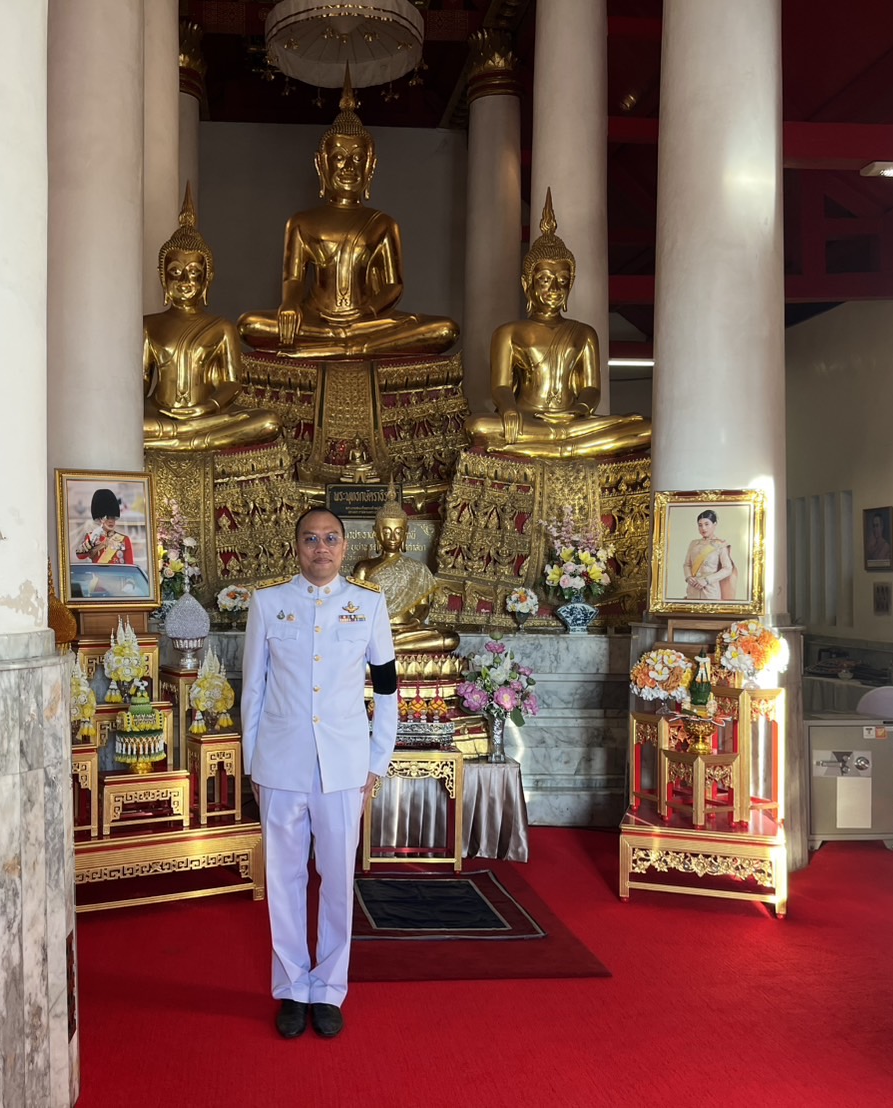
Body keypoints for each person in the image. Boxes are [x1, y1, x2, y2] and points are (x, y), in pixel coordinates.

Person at [241, 507, 399, 1040]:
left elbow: (386, 691)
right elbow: (254, 691)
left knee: (337, 880)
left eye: (330, 539)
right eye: (310, 539)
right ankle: (291, 988)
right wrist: (252, 763)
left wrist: (376, 761)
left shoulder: (369, 605)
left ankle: (328, 989)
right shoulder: (267, 604)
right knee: (283, 882)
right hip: (281, 764)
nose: (321, 548)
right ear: (296, 546)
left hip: (343, 767)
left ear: (344, 545)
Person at [237, 70, 458, 359]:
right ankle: (346, 345)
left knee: (444, 330)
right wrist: (289, 305)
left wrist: (365, 312)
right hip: (316, 321)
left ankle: (345, 346)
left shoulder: (383, 223)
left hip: (368, 322)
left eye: (357, 158)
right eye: (338, 158)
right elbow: (293, 279)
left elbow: (394, 285)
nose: (348, 167)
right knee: (249, 324)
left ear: (370, 167)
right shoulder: (301, 221)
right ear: (322, 166)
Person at [465, 189, 652, 459]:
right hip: (529, 420)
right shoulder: (509, 332)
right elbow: (501, 387)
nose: (554, 288)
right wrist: (508, 409)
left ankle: (554, 447)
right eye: (544, 279)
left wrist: (577, 411)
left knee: (645, 427)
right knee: (478, 425)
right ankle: (559, 447)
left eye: (562, 281)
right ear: (527, 284)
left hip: (574, 423)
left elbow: (591, 389)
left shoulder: (584, 333)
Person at [142, 184, 281, 451]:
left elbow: (230, 383)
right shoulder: (149, 325)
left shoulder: (222, 327)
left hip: (208, 417)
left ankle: (182, 439)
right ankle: (187, 439)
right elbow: (142, 384)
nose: (185, 281)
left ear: (207, 280)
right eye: (175, 272)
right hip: (161, 417)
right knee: (126, 424)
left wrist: (207, 407)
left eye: (194, 272)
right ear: (163, 278)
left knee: (268, 422)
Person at [350, 486, 459, 654]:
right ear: (376, 533)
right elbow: (356, 607)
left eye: (398, 532)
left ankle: (386, 649)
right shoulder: (364, 568)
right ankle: (386, 647)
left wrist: (414, 622)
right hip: (374, 631)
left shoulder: (418, 569)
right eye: (386, 532)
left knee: (450, 638)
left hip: (408, 632)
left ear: (405, 534)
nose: (393, 537)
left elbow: (423, 606)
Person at [683, 509, 736, 600]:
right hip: (693, 589)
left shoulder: (720, 544)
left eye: (707, 524)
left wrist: (706, 580)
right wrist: (688, 577)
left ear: (714, 524)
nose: (703, 528)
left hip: (710, 591)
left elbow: (728, 569)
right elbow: (687, 564)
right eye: (700, 525)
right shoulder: (693, 544)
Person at [75, 488, 134, 565]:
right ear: (100, 519)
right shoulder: (91, 537)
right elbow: (80, 555)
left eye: (113, 517)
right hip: (98, 576)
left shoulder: (124, 540)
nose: (111, 521)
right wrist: (92, 540)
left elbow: (130, 567)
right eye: (107, 518)